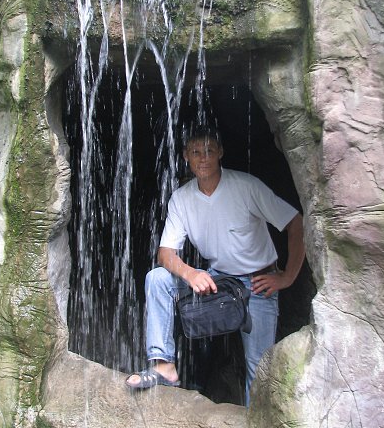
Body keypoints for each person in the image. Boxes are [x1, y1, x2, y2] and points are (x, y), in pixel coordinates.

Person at [126, 127, 305, 405]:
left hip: (258, 283)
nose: (203, 158)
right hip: (219, 280)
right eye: (196, 152)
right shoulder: (182, 198)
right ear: (186, 156)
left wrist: (287, 277)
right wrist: (190, 273)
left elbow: (295, 222)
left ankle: (253, 423)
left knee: (259, 368)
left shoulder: (246, 186)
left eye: (209, 151)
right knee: (158, 278)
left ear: (220, 152)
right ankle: (163, 365)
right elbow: (165, 253)